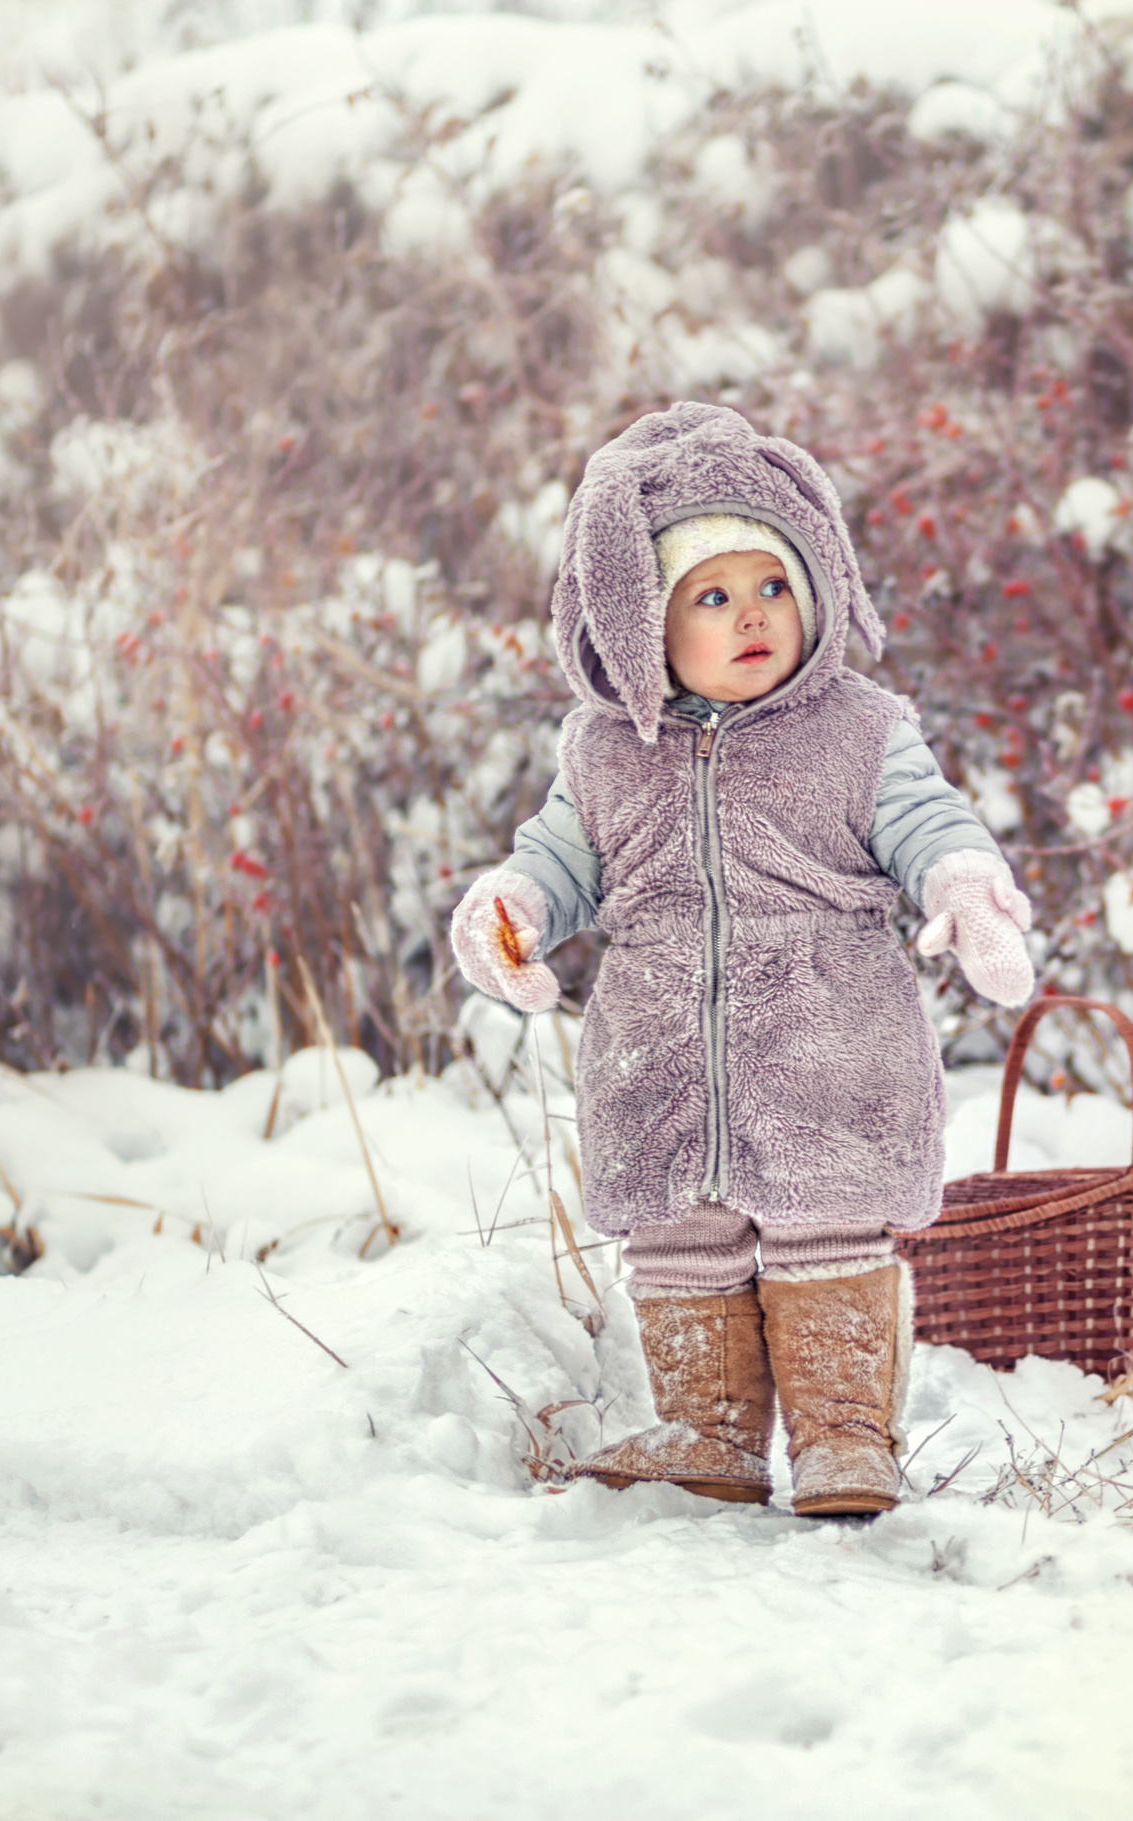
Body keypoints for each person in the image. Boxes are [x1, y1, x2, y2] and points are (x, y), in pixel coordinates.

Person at [446, 402, 1034, 1516]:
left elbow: (928, 819)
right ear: (638, 624)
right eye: (709, 597)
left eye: (773, 586)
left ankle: (845, 1437)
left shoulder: (859, 729)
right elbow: (558, 858)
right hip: (660, 1040)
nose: (753, 616)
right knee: (681, 1236)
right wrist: (511, 908)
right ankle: (708, 1434)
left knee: (827, 1221)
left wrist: (964, 886)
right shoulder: (606, 750)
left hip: (828, 1032)